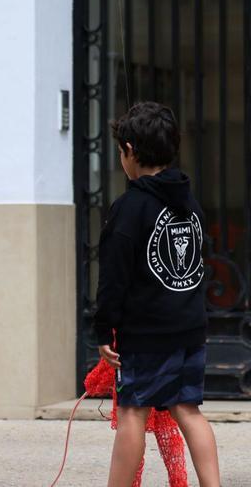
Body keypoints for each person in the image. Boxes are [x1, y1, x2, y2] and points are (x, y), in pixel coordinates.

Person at [94, 101, 220, 486]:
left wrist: (104, 332)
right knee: (189, 409)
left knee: (133, 412)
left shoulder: (129, 207)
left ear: (130, 150)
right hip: (189, 329)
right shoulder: (191, 203)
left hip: (147, 335)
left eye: (121, 152)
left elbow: (113, 278)